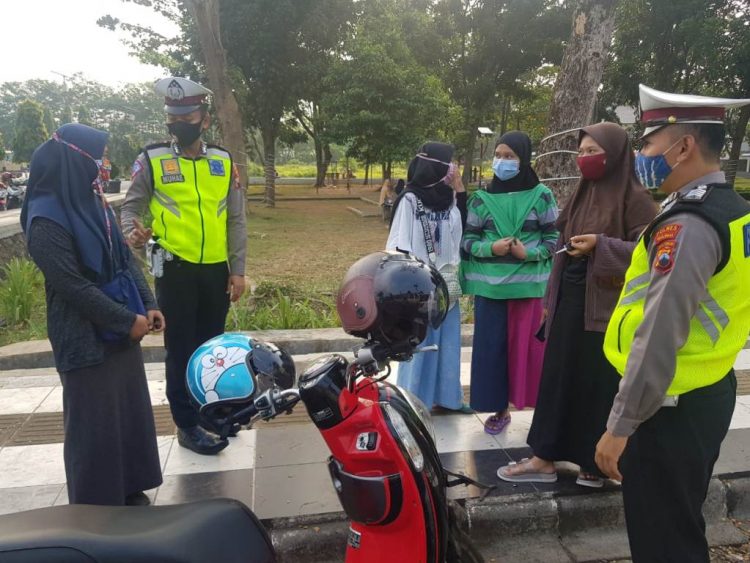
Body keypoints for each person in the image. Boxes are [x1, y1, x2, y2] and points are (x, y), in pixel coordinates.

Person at [594, 84, 750, 562]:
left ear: (682, 147)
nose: (642, 154)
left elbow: (660, 332)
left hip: (667, 406)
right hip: (704, 390)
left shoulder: (689, 225)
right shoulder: (734, 211)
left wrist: (620, 426)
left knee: (664, 540)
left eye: (648, 143)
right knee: (679, 525)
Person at [497, 123, 657, 487]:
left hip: (606, 308)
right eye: (581, 153)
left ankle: (593, 463)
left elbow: (650, 253)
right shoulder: (582, 193)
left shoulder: (637, 200)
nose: (585, 160)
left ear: (615, 155)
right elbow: (561, 246)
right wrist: (550, 300)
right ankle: (543, 457)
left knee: (596, 382)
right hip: (570, 298)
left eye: (592, 152)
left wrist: (601, 245)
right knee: (558, 377)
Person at [21, 124, 163, 506]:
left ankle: (129, 488)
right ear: (74, 159)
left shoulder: (94, 201)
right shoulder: (44, 217)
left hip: (121, 326)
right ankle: (96, 508)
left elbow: (123, 257)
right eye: (97, 157)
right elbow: (71, 287)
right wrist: (123, 320)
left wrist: (148, 303)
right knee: (94, 424)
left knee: (126, 410)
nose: (103, 165)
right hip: (83, 337)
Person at [122, 77, 247, 455]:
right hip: (174, 270)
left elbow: (236, 220)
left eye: (187, 115)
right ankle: (186, 423)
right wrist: (133, 233)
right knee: (180, 347)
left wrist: (237, 269)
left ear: (204, 119)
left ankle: (209, 412)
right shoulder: (152, 159)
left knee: (212, 347)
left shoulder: (224, 162)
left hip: (215, 270)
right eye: (172, 117)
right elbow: (131, 207)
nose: (179, 123)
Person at [461, 131, 558, 434]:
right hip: (491, 290)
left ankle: (538, 410)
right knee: (493, 350)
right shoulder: (481, 199)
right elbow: (468, 242)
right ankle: (499, 408)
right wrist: (492, 249)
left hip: (528, 289)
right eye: (499, 155)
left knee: (528, 351)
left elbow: (554, 239)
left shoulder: (542, 196)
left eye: (510, 156)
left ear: (523, 160)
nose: (502, 162)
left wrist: (526, 253)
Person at [387, 142, 470, 413]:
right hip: (418, 286)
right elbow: (399, 245)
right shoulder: (409, 200)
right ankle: (411, 401)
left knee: (446, 343)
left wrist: (460, 190)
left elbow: (462, 231)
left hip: (447, 284)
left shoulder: (449, 198)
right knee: (418, 344)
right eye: (449, 163)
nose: (452, 169)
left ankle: (447, 399)